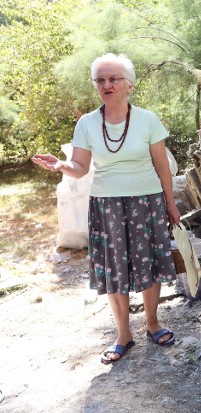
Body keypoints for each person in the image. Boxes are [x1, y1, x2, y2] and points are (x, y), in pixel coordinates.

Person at [32, 53, 180, 365]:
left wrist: (170, 204)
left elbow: (162, 168)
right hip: (106, 205)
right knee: (115, 269)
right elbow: (80, 167)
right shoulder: (86, 124)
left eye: (113, 78)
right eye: (100, 79)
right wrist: (60, 164)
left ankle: (152, 323)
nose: (106, 84)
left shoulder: (148, 120)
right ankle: (123, 334)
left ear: (129, 84)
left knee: (148, 264)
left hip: (147, 201)